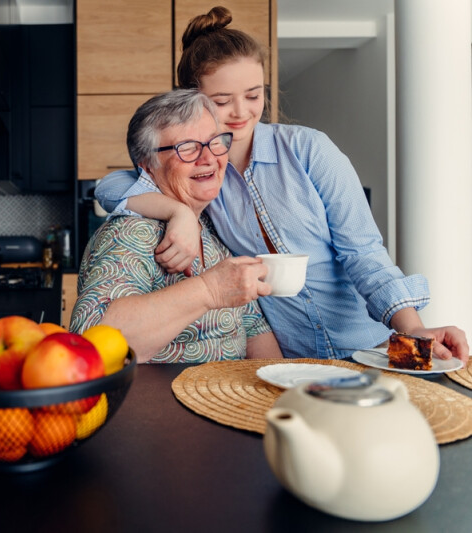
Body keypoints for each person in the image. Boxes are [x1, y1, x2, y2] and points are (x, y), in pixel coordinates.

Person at [94, 6, 469, 362]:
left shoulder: (309, 150)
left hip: (368, 346)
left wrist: (415, 329)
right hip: (294, 357)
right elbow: (110, 187)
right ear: (192, 100)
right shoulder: (205, 172)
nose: (242, 112)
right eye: (222, 100)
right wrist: (179, 213)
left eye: (254, 95)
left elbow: (364, 254)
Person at [70, 88, 283, 363]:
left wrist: (276, 392)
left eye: (214, 142)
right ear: (147, 166)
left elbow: (253, 326)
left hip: (228, 401)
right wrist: (209, 290)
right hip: (162, 404)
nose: (208, 158)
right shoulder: (132, 233)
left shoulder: (213, 226)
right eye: (187, 148)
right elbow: (92, 339)